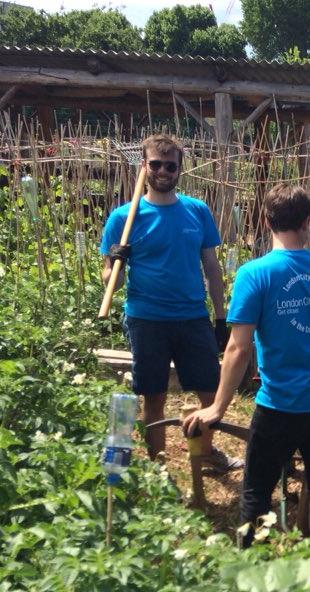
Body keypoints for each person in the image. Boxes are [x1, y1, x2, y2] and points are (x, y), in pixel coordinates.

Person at [182, 183, 310, 547]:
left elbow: (238, 350)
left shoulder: (254, 274)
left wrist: (218, 406)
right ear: (309, 221)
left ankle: (254, 565)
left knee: (257, 493)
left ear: (265, 219)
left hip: (280, 404)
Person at [100, 134, 241, 471]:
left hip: (192, 316)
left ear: (180, 168)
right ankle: (157, 468)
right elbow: (112, 280)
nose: (163, 171)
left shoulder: (197, 211)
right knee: (155, 396)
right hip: (146, 318)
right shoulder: (124, 218)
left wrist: (221, 318)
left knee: (210, 391)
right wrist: (116, 261)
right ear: (144, 167)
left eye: (170, 166)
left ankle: (206, 453)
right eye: (156, 164)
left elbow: (211, 267)